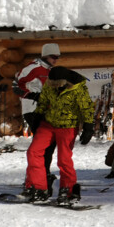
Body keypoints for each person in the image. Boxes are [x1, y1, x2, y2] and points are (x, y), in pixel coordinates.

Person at [23, 66, 93, 204]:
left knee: (63, 159)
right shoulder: (50, 84)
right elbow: (43, 101)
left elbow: (86, 108)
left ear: (64, 81)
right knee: (33, 152)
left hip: (68, 126)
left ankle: (68, 188)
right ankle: (38, 187)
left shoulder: (78, 89)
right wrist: (37, 117)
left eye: (56, 84)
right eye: (51, 83)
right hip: (48, 124)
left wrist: (88, 127)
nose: (53, 86)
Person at [14, 43, 60, 193]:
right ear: (45, 55)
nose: (56, 60)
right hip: (33, 111)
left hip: (45, 112)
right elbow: (17, 84)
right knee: (41, 146)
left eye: (57, 57)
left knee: (49, 145)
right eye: (53, 56)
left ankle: (43, 175)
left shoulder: (49, 71)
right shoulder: (34, 68)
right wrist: (34, 96)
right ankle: (35, 180)